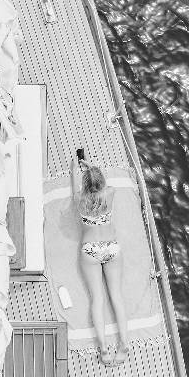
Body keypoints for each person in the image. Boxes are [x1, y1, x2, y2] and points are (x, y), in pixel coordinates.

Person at [71, 151, 130, 365]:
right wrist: (93, 168)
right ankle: (123, 345)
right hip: (111, 247)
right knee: (117, 296)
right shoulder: (110, 193)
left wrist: (79, 172)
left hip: (91, 251)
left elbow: (78, 190)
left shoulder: (80, 199)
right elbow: (102, 183)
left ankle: (104, 349)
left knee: (97, 299)